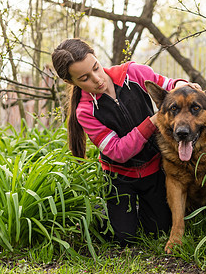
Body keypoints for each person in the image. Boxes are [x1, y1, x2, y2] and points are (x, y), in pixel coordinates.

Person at [51, 38, 197, 246]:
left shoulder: (134, 73)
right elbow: (118, 151)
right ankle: (107, 210)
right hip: (120, 178)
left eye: (96, 68)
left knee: (158, 231)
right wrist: (152, 121)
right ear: (71, 82)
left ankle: (142, 209)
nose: (97, 79)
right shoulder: (85, 111)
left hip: (154, 170)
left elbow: (169, 86)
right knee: (124, 238)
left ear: (97, 60)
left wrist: (184, 85)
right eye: (85, 78)